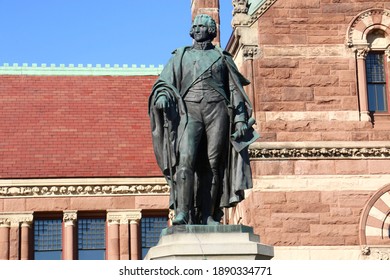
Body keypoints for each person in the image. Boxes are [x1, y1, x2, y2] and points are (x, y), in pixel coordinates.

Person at [149, 14, 257, 225]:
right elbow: (163, 84)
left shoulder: (223, 58)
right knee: (185, 160)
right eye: (195, 26)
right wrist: (162, 96)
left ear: (211, 30)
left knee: (213, 164)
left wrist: (241, 119)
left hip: (218, 111)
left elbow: (235, 91)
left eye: (202, 26)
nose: (197, 29)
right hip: (188, 112)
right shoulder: (180, 57)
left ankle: (208, 214)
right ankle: (183, 211)